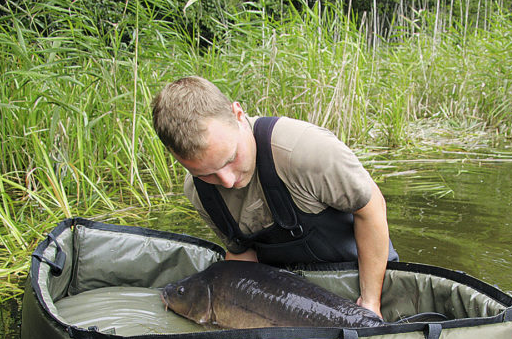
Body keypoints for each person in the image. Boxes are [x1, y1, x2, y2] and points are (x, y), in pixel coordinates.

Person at [151, 76, 398, 318]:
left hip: (363, 280)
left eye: (230, 159)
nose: (227, 181)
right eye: (206, 174)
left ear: (238, 115)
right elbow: (241, 259)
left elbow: (371, 209)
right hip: (285, 300)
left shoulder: (305, 151)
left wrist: (370, 303)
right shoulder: (199, 192)